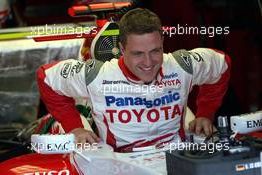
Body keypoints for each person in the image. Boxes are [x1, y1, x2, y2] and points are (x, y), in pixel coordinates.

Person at [37, 8, 231, 152]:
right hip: (119, 164)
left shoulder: (182, 65)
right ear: (121, 50)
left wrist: (205, 113)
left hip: (177, 159)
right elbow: (46, 77)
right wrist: (75, 128)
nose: (148, 62)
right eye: (138, 53)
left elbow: (222, 64)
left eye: (155, 51)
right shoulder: (97, 75)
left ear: (163, 43)